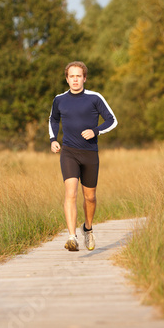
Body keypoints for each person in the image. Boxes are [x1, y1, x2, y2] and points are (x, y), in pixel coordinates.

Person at [48, 61, 117, 251]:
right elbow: (53, 119)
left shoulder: (94, 98)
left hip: (90, 153)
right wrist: (53, 139)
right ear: (67, 79)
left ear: (84, 78)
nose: (75, 79)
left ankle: (87, 228)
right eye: (72, 76)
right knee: (70, 193)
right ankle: (72, 237)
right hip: (69, 152)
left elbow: (112, 120)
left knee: (90, 197)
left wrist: (96, 131)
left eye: (79, 76)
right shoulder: (59, 99)